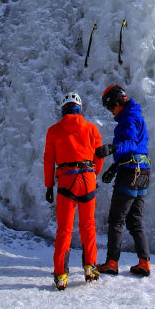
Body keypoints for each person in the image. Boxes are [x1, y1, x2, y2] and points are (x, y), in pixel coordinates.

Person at [43, 91, 104, 289]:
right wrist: (94, 174)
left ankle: (61, 275)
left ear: (63, 109)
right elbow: (99, 157)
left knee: (64, 229)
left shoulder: (54, 131)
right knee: (88, 226)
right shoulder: (92, 129)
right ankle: (90, 267)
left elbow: (49, 160)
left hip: (66, 181)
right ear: (79, 108)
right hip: (87, 178)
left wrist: (49, 186)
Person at [96, 84, 152, 278]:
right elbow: (136, 146)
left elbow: (129, 143)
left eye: (111, 107)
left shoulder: (128, 119)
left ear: (118, 101)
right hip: (143, 171)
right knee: (135, 219)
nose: (111, 111)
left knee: (116, 220)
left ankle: (111, 262)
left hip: (130, 173)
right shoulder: (137, 117)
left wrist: (111, 149)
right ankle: (144, 262)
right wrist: (114, 167)